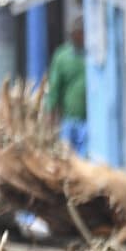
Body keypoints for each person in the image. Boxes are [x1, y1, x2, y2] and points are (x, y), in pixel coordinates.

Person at [46, 18, 87, 157]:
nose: (78, 37)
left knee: (84, 159)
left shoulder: (90, 56)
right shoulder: (62, 57)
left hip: (87, 122)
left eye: (81, 33)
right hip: (69, 121)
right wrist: (50, 116)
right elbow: (54, 90)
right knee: (66, 157)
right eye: (76, 34)